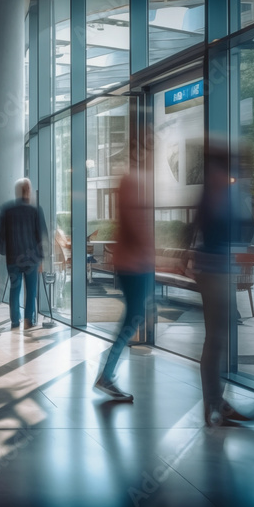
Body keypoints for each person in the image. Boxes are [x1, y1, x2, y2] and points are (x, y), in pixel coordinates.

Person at [194, 144, 254, 426]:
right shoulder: (218, 194)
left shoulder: (217, 193)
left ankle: (215, 402)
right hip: (215, 274)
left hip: (216, 272)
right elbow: (225, 231)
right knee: (216, 341)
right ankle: (216, 403)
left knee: (217, 340)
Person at [93, 168, 153, 402]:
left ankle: (107, 374)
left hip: (135, 263)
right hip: (135, 264)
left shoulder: (135, 181)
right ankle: (106, 375)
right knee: (134, 318)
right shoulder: (134, 181)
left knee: (135, 318)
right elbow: (134, 224)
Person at [0, 178, 48, 330]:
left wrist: (4, 252)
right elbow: (41, 235)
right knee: (31, 290)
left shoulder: (6, 210)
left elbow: (1, 235)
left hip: (13, 257)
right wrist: (41, 258)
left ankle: (14, 321)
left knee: (15, 288)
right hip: (32, 258)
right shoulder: (35, 210)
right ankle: (28, 320)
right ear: (29, 191)